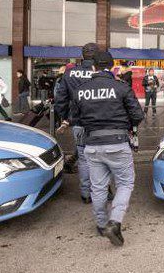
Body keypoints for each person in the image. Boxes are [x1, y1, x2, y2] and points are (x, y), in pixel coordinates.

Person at [71, 51, 144, 246]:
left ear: (92, 66)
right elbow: (137, 115)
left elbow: (75, 119)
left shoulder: (81, 89)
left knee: (98, 187)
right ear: (112, 67)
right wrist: (128, 126)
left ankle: (102, 224)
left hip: (92, 145)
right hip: (118, 143)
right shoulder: (121, 87)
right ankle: (115, 222)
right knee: (125, 183)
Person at [54, 42, 97, 204]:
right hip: (99, 123)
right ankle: (101, 190)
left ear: (82, 55)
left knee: (84, 159)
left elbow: (61, 99)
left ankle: (86, 194)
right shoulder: (101, 73)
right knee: (101, 157)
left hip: (78, 121)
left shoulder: (70, 73)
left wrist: (66, 118)